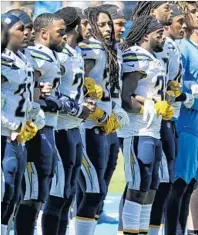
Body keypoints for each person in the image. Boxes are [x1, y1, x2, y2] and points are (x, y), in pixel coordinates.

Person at [41, 7, 96, 235]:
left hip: (74, 128)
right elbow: (50, 94)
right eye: (85, 23)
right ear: (76, 25)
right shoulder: (59, 55)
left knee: (69, 193)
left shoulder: (74, 52)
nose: (89, 28)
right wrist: (79, 108)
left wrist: (87, 100)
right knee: (57, 194)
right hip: (60, 128)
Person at [119, 15, 174, 235]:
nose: (163, 37)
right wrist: (149, 106)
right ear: (145, 35)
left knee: (152, 186)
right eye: (158, 34)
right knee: (137, 186)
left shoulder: (154, 58)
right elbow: (126, 97)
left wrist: (165, 101)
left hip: (153, 131)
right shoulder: (135, 55)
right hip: (137, 130)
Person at [14, 13, 66, 235]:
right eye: (22, 28)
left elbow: (34, 91)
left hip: (46, 127)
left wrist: (42, 93)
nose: (27, 33)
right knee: (24, 194)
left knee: (41, 193)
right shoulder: (29, 55)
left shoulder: (29, 56)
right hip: (28, 131)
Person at [75, 7, 120, 235]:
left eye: (108, 24)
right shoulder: (90, 49)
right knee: (94, 189)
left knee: (96, 189)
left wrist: (113, 113)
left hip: (103, 125)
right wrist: (97, 112)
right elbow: (78, 86)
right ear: (90, 25)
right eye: (101, 24)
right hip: (87, 126)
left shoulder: (108, 50)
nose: (107, 29)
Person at [148, 5, 187, 235]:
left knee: (163, 184)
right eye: (175, 18)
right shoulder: (154, 44)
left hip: (169, 118)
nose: (176, 21)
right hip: (151, 121)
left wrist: (177, 93)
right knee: (146, 185)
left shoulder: (172, 45)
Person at [1, 13, 38, 235]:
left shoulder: (23, 59)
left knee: (13, 195)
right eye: (20, 29)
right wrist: (12, 124)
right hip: (4, 136)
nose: (26, 33)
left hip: (17, 137)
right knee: (4, 193)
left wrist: (31, 118)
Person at [165, 2, 198, 235]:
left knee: (191, 185)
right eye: (194, 11)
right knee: (179, 185)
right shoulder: (182, 49)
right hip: (186, 123)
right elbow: (176, 86)